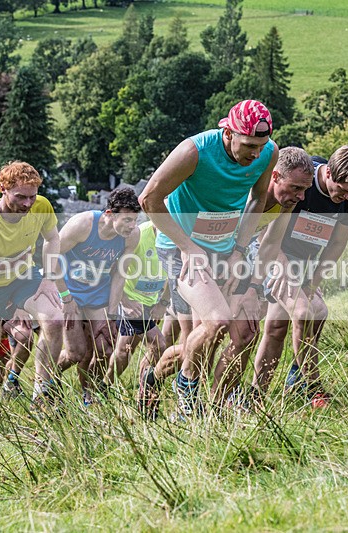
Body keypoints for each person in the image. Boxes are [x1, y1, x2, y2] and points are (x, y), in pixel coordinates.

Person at [140, 100, 278, 419]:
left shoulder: (269, 153)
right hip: (180, 249)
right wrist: (188, 247)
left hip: (225, 248)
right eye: (249, 145)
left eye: (261, 146)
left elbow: (258, 197)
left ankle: (199, 405)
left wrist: (240, 249)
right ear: (227, 132)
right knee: (217, 322)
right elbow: (148, 199)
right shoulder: (194, 152)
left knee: (234, 334)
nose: (255, 154)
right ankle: (187, 388)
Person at [251, 145, 348, 407]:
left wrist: (312, 282)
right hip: (275, 252)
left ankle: (273, 387)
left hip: (306, 259)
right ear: (328, 172)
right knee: (304, 313)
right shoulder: (301, 181)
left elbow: (337, 244)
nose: (345, 197)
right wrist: (282, 268)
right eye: (341, 189)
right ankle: (311, 386)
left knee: (283, 324)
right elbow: (265, 231)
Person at [0, 161, 64, 419]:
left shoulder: (41, 206)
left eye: (32, 196)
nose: (28, 204)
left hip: (23, 278)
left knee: (54, 320)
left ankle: (41, 394)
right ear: (2, 189)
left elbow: (52, 238)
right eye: (20, 197)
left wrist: (49, 278)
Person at [55, 187, 140, 405]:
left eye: (135, 220)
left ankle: (89, 394)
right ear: (110, 214)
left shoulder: (131, 236)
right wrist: (65, 297)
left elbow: (120, 275)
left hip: (98, 295)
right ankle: (49, 380)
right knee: (76, 353)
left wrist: (112, 314)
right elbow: (51, 257)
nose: (132, 226)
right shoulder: (83, 224)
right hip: (70, 292)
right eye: (127, 220)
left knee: (104, 348)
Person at [102, 219, 170, 417]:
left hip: (150, 302)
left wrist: (162, 304)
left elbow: (175, 272)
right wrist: (124, 300)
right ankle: (145, 392)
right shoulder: (139, 234)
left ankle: (106, 387)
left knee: (125, 350)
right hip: (132, 301)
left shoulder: (177, 234)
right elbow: (115, 268)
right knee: (159, 344)